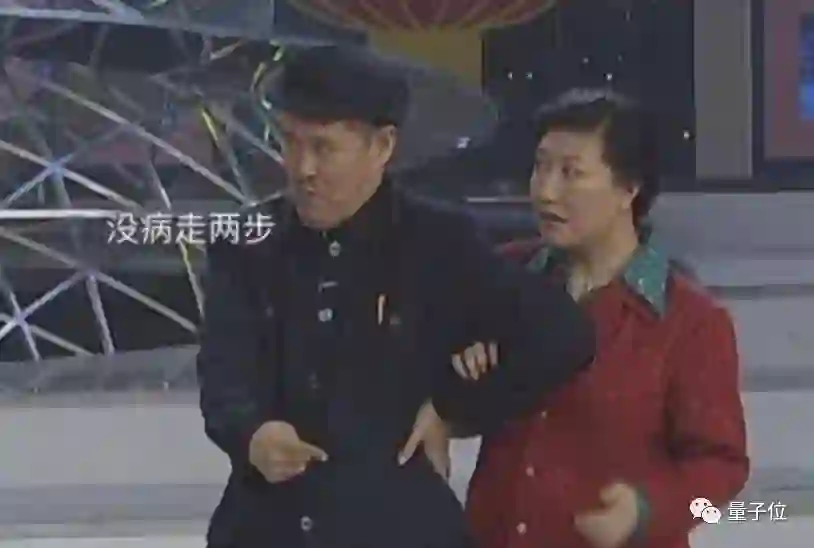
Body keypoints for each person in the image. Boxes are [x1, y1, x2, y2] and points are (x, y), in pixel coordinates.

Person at [195, 45, 596, 548]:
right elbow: (223, 370)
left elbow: (562, 336)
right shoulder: (247, 243)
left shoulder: (438, 243)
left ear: (382, 146)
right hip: (267, 528)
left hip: (397, 527)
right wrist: (251, 434)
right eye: (290, 143)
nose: (303, 168)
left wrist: (456, 408)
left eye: (324, 148)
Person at [433, 89, 749, 548]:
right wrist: (458, 365)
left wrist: (645, 511)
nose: (545, 190)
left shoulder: (691, 320)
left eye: (571, 173)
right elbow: (444, 392)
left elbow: (722, 469)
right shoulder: (502, 277)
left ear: (628, 189)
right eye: (540, 167)